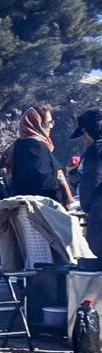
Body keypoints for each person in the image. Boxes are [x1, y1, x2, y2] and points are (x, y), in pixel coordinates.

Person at [7, 107, 74, 208]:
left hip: (21, 205)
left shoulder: (17, 146)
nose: (51, 126)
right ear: (37, 123)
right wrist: (63, 201)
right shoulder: (36, 148)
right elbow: (47, 179)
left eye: (52, 122)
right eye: (48, 122)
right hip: (42, 208)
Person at [71, 109, 102, 263]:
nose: (83, 138)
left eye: (84, 133)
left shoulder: (96, 151)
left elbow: (92, 180)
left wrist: (86, 206)